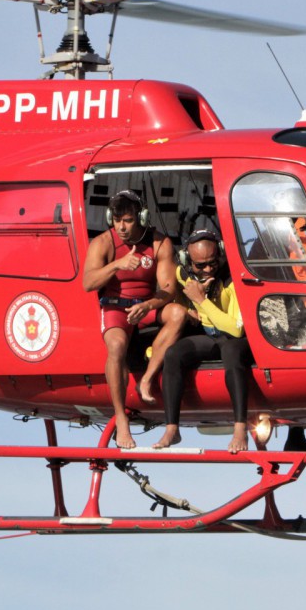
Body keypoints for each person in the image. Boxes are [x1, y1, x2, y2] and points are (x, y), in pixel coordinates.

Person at [82, 190, 186, 449]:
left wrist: (148, 305)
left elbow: (169, 288)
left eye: (128, 220)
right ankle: (121, 418)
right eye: (117, 220)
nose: (122, 227)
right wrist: (116, 265)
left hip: (145, 306)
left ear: (141, 218)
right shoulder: (103, 243)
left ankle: (147, 378)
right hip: (115, 308)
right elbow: (88, 283)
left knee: (178, 313)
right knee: (116, 346)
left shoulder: (159, 243)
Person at [153, 231, 252, 454]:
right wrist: (188, 309)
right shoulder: (183, 274)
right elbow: (176, 292)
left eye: (212, 263)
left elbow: (236, 329)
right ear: (188, 262)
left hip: (236, 339)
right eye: (200, 265)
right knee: (173, 354)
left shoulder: (233, 279)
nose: (207, 269)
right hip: (211, 336)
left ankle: (240, 428)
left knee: (231, 351)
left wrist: (201, 301)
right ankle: (172, 429)